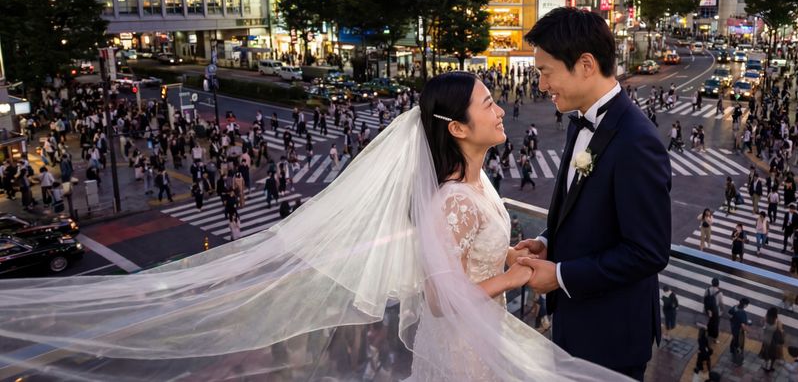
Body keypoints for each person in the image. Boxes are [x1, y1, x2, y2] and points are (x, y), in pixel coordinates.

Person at [0, 71, 633, 380]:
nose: (500, 110)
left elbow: (471, 260)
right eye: (488, 103)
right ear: (458, 129)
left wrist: (513, 254)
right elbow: (442, 299)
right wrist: (516, 277)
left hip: (482, 335)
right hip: (463, 348)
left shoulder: (481, 182)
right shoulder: (451, 201)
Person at [515, 8, 672, 380]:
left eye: (546, 72)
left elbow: (648, 251)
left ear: (585, 65)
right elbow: (582, 209)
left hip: (611, 336)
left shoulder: (637, 141)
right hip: (574, 320)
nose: (542, 85)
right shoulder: (580, 120)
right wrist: (547, 241)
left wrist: (561, 276)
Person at [759, 307, 785, 373]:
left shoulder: (765, 319)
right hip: (773, 342)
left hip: (766, 340)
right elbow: (780, 332)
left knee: (766, 354)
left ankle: (766, 366)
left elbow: (761, 323)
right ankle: (770, 367)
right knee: (773, 355)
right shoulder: (778, 322)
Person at [729, 298, 752, 362]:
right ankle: (737, 359)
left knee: (734, 340)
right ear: (745, 305)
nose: (747, 306)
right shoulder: (742, 313)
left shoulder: (734, 308)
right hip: (739, 331)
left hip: (733, 328)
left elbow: (730, 315)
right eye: (747, 305)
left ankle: (732, 350)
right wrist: (748, 330)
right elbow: (743, 325)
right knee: (739, 344)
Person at [703, 278, 722, 342]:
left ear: (712, 283)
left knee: (709, 322)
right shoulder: (719, 293)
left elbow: (704, 298)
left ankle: (708, 334)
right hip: (715, 310)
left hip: (708, 309)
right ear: (718, 284)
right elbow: (721, 303)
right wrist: (722, 310)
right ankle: (715, 338)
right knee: (715, 324)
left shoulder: (707, 290)